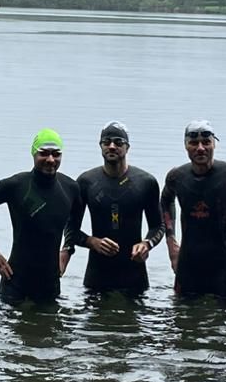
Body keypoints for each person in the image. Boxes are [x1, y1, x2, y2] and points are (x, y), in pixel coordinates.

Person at [0, 129, 81, 304]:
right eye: (44, 153)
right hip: (15, 283)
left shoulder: (70, 188)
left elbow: (74, 224)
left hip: (50, 285)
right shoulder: (15, 185)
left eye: (56, 154)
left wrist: (67, 250)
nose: (50, 159)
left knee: (50, 320)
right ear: (34, 154)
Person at [161, 120, 226, 299]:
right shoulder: (176, 176)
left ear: (214, 144)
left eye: (206, 142)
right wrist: (171, 244)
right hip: (188, 264)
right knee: (181, 313)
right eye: (193, 143)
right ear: (186, 146)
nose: (200, 148)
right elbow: (165, 201)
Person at [67, 121, 163, 294]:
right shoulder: (86, 182)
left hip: (134, 274)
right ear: (100, 146)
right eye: (107, 142)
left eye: (118, 142)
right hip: (97, 275)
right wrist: (92, 242)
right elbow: (70, 229)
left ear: (127, 147)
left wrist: (146, 244)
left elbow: (158, 226)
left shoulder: (146, 182)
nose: (112, 146)